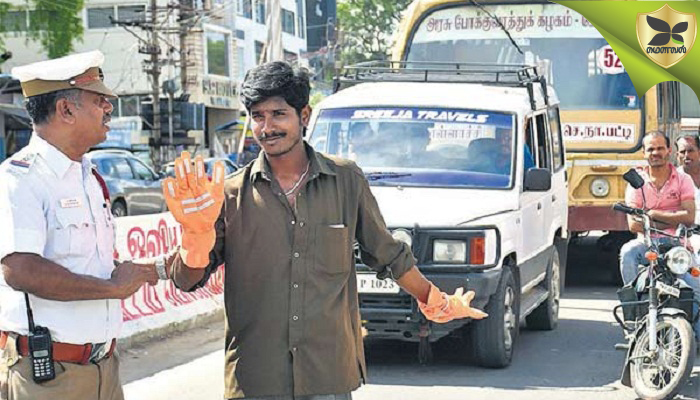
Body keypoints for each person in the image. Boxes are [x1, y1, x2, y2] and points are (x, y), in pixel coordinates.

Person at [158, 61, 488, 400]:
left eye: (278, 114)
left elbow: (388, 255)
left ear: (304, 115)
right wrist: (195, 237)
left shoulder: (345, 181)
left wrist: (435, 301)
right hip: (256, 379)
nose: (267, 127)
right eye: (258, 116)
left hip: (327, 374)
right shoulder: (229, 195)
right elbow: (187, 279)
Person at [0, 51, 158, 400]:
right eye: (99, 100)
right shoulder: (19, 179)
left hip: (104, 367)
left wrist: (131, 272)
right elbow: (20, 269)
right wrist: (112, 288)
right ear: (66, 110)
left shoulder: (88, 175)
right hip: (50, 377)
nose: (109, 108)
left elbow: (86, 262)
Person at [620, 131, 700, 338]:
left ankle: (695, 341)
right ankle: (633, 317)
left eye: (660, 148)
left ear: (669, 151)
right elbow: (634, 225)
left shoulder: (683, 179)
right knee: (628, 252)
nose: (655, 153)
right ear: (644, 153)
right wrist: (672, 217)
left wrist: (652, 215)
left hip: (677, 246)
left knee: (696, 289)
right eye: (651, 149)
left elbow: (689, 217)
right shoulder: (636, 181)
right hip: (647, 245)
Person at [676, 135, 700, 224]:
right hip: (686, 230)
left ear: (699, 152)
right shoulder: (672, 179)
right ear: (677, 156)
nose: (686, 155)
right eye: (682, 152)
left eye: (690, 151)